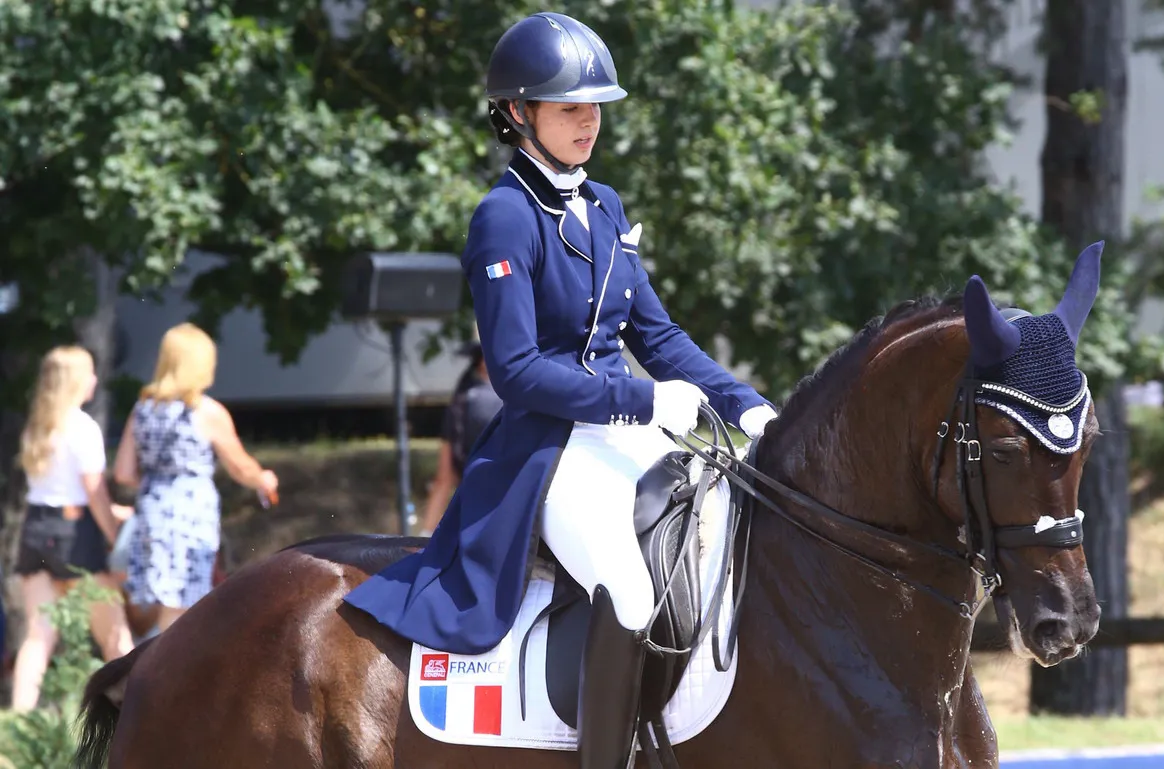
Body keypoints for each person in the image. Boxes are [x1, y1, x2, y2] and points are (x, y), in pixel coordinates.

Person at [343, 12, 778, 768]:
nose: (589, 121)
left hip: (628, 434)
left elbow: (659, 338)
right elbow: (514, 371)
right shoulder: (504, 217)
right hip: (549, 446)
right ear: (519, 113)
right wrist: (642, 401)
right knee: (630, 589)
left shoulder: (603, 205)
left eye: (595, 106)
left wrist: (745, 403)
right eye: (570, 107)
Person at [112, 323, 279, 636]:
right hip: (189, 517)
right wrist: (263, 479)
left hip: (152, 512)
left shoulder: (143, 409)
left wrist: (158, 483)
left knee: (167, 604)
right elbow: (239, 466)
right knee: (183, 610)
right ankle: (171, 680)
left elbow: (123, 472)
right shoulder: (205, 411)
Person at [13, 345, 134, 712]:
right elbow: (93, 493)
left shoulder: (38, 426)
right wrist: (116, 535)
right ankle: (140, 711)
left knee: (38, 636)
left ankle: (18, 722)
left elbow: (57, 490)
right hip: (75, 536)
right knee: (116, 637)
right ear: (76, 380)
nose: (95, 379)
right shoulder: (83, 427)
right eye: (91, 372)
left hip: (36, 530)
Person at [417, 331, 503, 535]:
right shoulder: (510, 400)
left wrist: (424, 534)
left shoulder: (463, 399)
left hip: (471, 501)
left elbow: (444, 477)